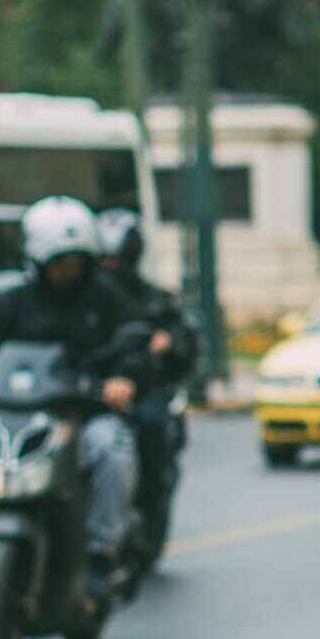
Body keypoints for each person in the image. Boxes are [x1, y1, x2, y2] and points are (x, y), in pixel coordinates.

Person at [0, 196, 145, 597]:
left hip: (79, 416)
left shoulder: (106, 299)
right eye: (60, 261)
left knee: (113, 447)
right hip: (11, 415)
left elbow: (133, 344)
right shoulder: (10, 301)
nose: (69, 269)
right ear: (38, 260)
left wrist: (124, 378)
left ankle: (102, 551)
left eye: (77, 260)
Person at [96, 208, 199, 510]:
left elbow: (182, 341)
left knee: (150, 423)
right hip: (91, 383)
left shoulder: (154, 299)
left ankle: (148, 499)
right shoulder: (85, 299)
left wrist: (166, 343)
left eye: (116, 260)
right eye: (104, 260)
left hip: (141, 386)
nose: (109, 267)